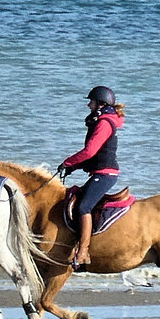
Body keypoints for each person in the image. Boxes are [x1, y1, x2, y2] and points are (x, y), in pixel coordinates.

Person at [58, 85, 125, 268]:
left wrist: (68, 162)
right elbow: (93, 156)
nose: (89, 105)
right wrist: (74, 167)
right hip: (100, 172)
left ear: (100, 104)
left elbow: (90, 151)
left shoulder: (104, 123)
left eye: (91, 102)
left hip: (106, 174)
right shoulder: (102, 120)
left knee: (83, 207)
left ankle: (83, 252)